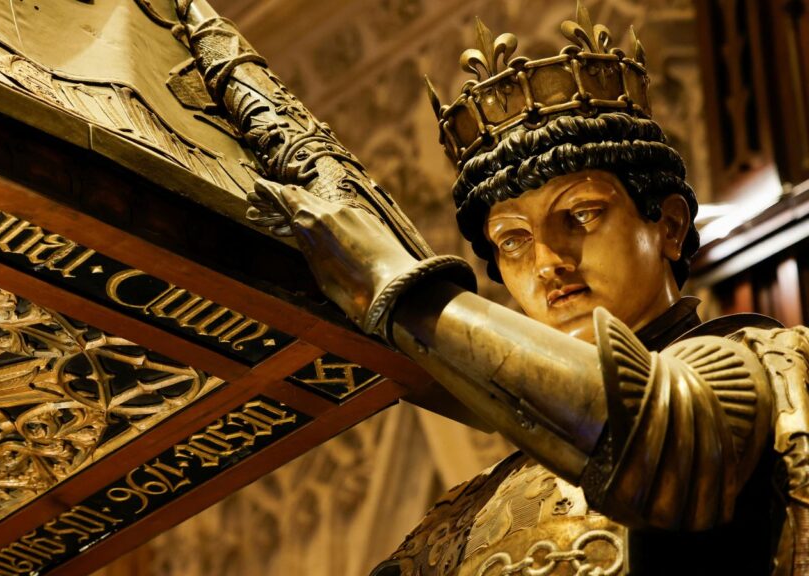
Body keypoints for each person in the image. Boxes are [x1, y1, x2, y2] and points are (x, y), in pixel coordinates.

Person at [247, 5, 809, 575]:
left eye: (582, 215)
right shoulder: (462, 521)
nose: (547, 263)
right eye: (512, 241)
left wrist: (395, 290)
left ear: (668, 226)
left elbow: (669, 456)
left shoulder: (769, 363)